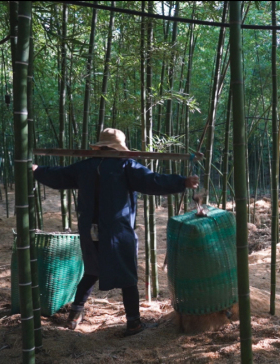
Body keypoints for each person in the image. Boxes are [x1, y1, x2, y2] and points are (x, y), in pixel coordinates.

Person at [33, 128, 199, 336]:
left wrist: (37, 169)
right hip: (116, 232)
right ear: (118, 148)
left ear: (100, 146)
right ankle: (133, 323)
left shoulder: (85, 166)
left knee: (92, 271)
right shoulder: (126, 165)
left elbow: (57, 177)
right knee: (128, 277)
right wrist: (182, 182)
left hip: (88, 230)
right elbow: (153, 181)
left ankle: (75, 315)